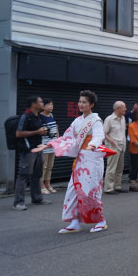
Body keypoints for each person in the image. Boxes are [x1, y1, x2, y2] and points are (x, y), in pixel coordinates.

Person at [34, 90, 108, 233]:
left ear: (91, 104)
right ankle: (74, 222)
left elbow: (99, 136)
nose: (80, 104)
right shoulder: (77, 121)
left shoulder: (96, 120)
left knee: (89, 191)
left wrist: (94, 143)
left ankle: (100, 220)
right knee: (73, 190)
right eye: (79, 101)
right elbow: (67, 137)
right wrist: (49, 144)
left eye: (84, 102)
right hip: (80, 160)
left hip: (92, 159)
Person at [13, 96, 52, 210]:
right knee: (23, 175)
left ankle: (37, 198)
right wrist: (37, 132)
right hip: (28, 150)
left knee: (37, 174)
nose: (42, 103)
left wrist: (43, 132)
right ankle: (19, 202)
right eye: (40, 102)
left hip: (39, 149)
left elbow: (39, 131)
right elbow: (18, 133)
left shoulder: (39, 117)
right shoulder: (25, 117)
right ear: (34, 104)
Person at [103, 101, 127, 194]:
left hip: (122, 146)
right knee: (111, 168)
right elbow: (103, 133)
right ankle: (108, 189)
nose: (125, 109)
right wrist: (111, 140)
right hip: (113, 147)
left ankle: (117, 186)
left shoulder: (123, 118)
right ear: (117, 109)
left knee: (120, 168)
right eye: (123, 108)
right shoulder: (109, 119)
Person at [40, 98, 59, 194]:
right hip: (45, 145)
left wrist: (58, 140)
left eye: (52, 105)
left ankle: (48, 184)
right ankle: (41, 185)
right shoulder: (40, 117)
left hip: (53, 145)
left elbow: (56, 128)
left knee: (50, 166)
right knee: (44, 166)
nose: (51, 107)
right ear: (43, 106)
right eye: (48, 105)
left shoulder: (51, 115)